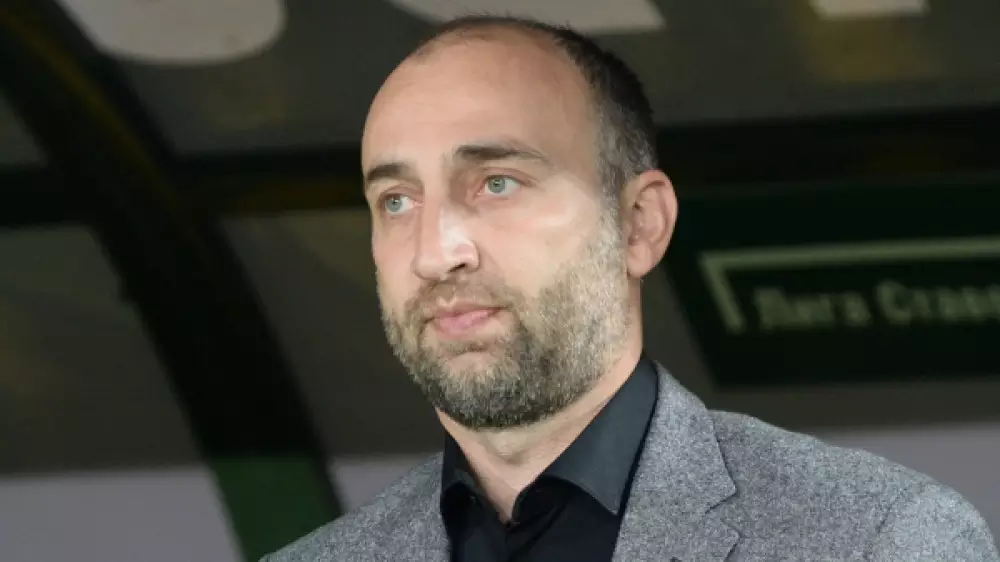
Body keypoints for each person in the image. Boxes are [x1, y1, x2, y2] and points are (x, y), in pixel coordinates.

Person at [265, 15, 999, 562]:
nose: (435, 253)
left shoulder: (878, 540)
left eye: (497, 182)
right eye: (396, 200)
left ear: (641, 224)